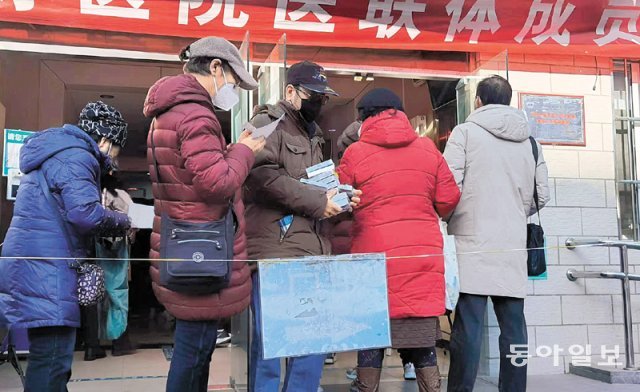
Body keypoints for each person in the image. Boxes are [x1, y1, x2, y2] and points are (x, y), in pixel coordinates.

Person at [143, 36, 265, 392]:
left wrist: (228, 149)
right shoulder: (197, 114)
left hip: (181, 245)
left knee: (194, 348)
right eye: (233, 80)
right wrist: (243, 151)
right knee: (194, 351)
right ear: (215, 67)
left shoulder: (169, 113)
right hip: (201, 251)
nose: (233, 90)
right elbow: (217, 183)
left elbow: (188, 177)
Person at [0, 101, 131, 391]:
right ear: (106, 140)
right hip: (48, 270)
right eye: (117, 147)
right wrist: (123, 221)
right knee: (52, 362)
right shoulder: (77, 157)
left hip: (37, 265)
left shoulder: (58, 153)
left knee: (49, 359)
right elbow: (85, 214)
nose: (115, 157)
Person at [336, 88, 460, 392]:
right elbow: (448, 199)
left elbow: (337, 200)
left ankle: (367, 386)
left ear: (365, 118)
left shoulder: (355, 153)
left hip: (373, 259)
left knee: (371, 336)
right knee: (422, 339)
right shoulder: (428, 149)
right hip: (420, 256)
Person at [244, 61, 356, 392]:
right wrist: (318, 201)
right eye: (313, 95)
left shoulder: (316, 137)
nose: (319, 103)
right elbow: (262, 178)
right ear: (290, 91)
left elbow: (315, 185)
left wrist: (342, 198)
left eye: (323, 97)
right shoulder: (265, 123)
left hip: (311, 250)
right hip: (274, 252)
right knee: (271, 349)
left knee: (311, 346)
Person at [443, 75, 550, 392]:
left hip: (471, 244)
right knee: (514, 328)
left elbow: (448, 188)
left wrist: (452, 218)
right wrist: (516, 213)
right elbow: (541, 195)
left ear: (477, 101)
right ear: (509, 100)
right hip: (512, 247)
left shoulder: (464, 133)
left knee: (469, 329)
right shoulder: (530, 141)